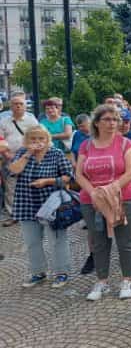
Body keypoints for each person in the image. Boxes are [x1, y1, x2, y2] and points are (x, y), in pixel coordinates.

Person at [75, 105, 131, 301]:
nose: (112, 123)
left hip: (123, 198)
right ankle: (102, 281)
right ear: (97, 122)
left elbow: (129, 173)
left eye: (115, 119)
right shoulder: (86, 146)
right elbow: (78, 174)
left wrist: (108, 190)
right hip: (92, 201)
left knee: (125, 241)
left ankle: (127, 279)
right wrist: (94, 192)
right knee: (99, 242)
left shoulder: (125, 143)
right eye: (107, 119)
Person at [9, 125, 72, 288]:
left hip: (51, 204)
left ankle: (61, 272)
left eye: (41, 138)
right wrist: (28, 153)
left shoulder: (56, 154)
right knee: (32, 241)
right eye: (33, 139)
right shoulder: (23, 153)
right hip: (26, 203)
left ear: (47, 140)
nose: (37, 142)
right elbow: (13, 170)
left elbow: (67, 177)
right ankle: (38, 272)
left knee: (57, 240)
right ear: (26, 140)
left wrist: (48, 181)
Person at [0, 91, 39, 227]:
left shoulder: (31, 119)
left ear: (25, 106)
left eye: (20, 104)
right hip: (9, 157)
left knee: (31, 183)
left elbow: (38, 135)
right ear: (10, 106)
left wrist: (30, 152)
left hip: (28, 156)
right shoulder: (4, 121)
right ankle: (13, 215)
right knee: (11, 186)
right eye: (15, 104)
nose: (18, 106)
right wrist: (6, 155)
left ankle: (32, 211)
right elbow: (1, 139)